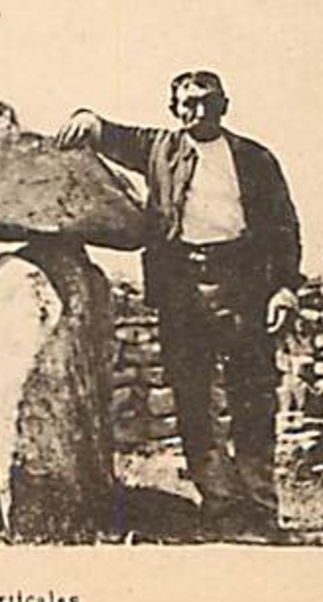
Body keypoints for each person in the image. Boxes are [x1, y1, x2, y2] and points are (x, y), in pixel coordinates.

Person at [55, 70, 302, 540]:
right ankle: (220, 508)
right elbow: (110, 133)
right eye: (186, 103)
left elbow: (284, 227)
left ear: (224, 105)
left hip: (244, 286)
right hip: (181, 289)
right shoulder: (160, 149)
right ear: (174, 109)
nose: (196, 111)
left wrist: (285, 288)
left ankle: (262, 511)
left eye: (206, 101)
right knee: (193, 398)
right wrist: (85, 119)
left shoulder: (254, 159)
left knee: (253, 396)